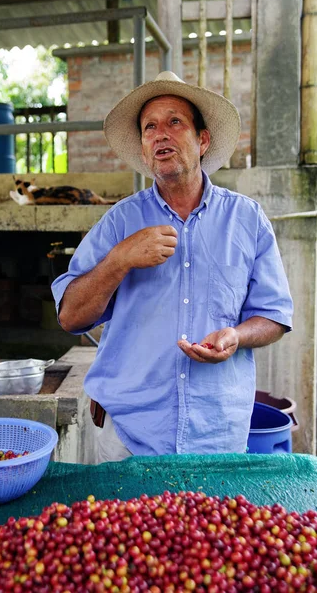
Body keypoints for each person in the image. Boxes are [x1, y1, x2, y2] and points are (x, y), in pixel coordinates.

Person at [51, 71, 293, 462]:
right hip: (127, 436)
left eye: (174, 122)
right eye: (149, 127)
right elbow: (70, 316)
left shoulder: (247, 219)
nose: (160, 134)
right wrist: (120, 258)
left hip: (216, 434)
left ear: (203, 140)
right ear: (145, 150)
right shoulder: (118, 223)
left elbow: (275, 316)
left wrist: (237, 335)